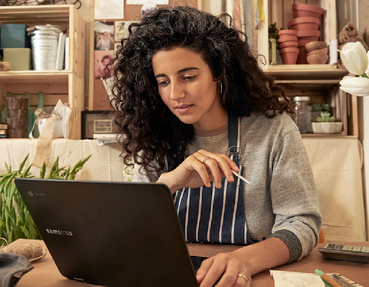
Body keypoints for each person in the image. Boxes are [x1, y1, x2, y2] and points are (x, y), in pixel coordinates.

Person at [111, 6, 322, 287]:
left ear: (219, 73)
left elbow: (302, 224)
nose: (175, 94)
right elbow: (124, 224)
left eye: (188, 77)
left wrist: (245, 260)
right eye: (163, 82)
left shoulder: (273, 130)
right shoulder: (157, 136)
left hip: (248, 278)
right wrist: (167, 183)